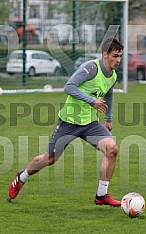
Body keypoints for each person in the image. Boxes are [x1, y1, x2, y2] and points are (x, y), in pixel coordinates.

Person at [8, 38, 123, 206]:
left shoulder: (112, 75)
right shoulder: (91, 68)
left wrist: (109, 118)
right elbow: (69, 87)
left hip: (90, 124)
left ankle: (101, 195)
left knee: (112, 149)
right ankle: (22, 177)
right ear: (105, 55)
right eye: (115, 56)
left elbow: (109, 95)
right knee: (49, 159)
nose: (118, 60)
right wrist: (91, 101)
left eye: (120, 56)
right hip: (69, 122)